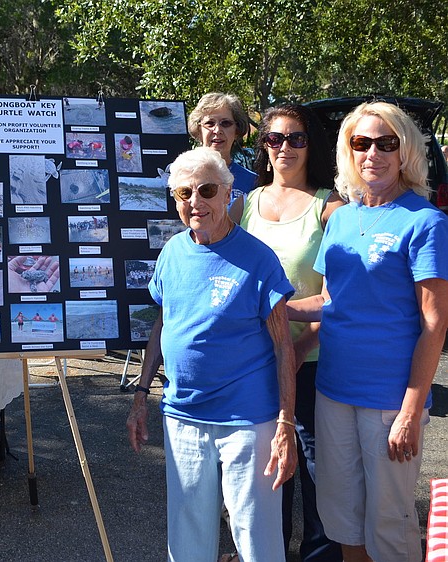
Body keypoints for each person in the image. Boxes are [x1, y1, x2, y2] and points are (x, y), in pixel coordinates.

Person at [287, 101, 448, 562]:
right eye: (361, 143)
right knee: (343, 518)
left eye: (386, 143)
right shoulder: (342, 218)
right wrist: (274, 310)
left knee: (389, 525)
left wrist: (410, 410)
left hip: (388, 401)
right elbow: (331, 301)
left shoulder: (425, 222)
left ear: (405, 151)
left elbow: (434, 324)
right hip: (333, 392)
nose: (372, 153)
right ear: (349, 151)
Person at [126, 146, 297, 562]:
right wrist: (141, 395)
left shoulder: (258, 258)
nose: (195, 202)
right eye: (184, 193)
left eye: (206, 190)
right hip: (182, 414)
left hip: (248, 419)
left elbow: (282, 344)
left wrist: (285, 423)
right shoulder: (172, 252)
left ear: (227, 192)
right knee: (187, 535)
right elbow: (163, 325)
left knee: (255, 536)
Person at [239, 104, 345, 561]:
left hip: (313, 361)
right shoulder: (245, 204)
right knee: (268, 471)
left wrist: (301, 344)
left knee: (319, 473)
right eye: (275, 138)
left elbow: (338, 297)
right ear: (263, 146)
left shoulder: (330, 208)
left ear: (310, 144)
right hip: (256, 362)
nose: (285, 147)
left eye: (296, 138)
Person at [188, 92, 257, 215]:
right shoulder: (182, 175)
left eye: (225, 123)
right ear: (199, 130)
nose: (217, 130)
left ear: (236, 130)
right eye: (210, 123)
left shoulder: (252, 181)